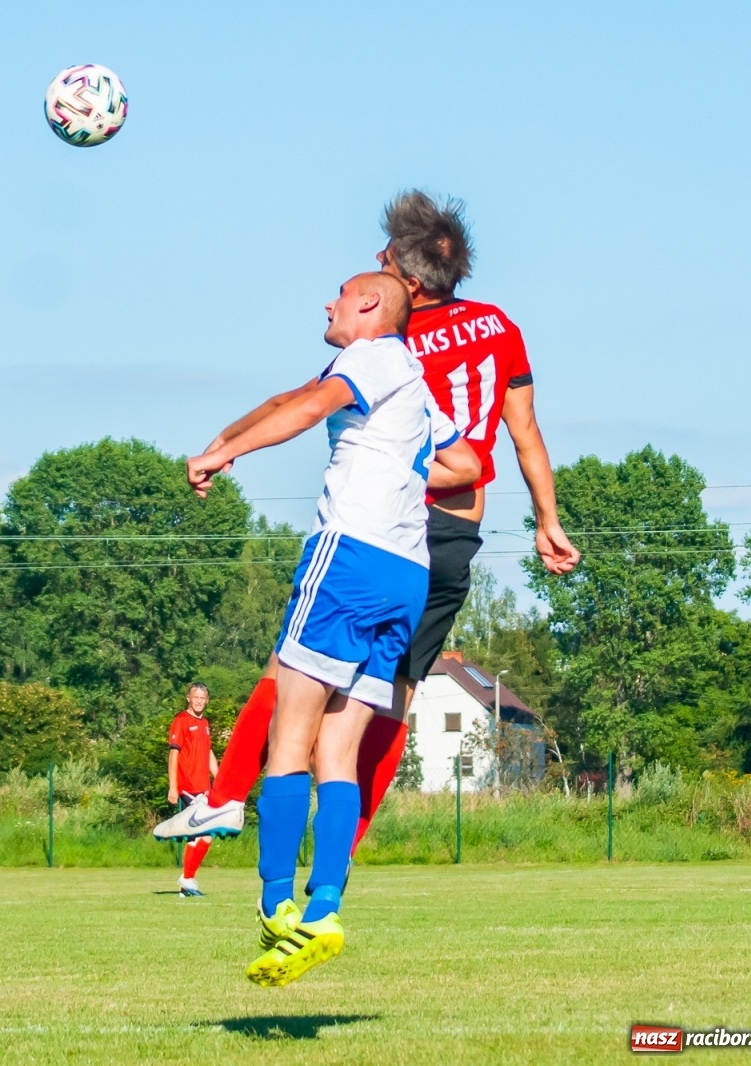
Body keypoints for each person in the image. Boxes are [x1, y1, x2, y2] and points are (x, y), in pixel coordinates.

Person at [156, 191, 578, 850]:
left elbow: (299, 400)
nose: (370, 264)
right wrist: (547, 520)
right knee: (390, 701)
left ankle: (226, 797)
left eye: (382, 256)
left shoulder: (391, 342)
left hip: (382, 530)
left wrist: (225, 443)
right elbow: (524, 433)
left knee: (288, 673)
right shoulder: (500, 325)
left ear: (405, 281)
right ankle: (339, 858)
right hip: (452, 542)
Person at [183, 272, 480, 986]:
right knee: (338, 753)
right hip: (407, 573)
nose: (328, 303)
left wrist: (225, 453)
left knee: (290, 738)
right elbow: (466, 462)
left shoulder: (373, 354)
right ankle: (326, 907)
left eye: (340, 294)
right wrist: (403, 467)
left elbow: (312, 405)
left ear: (371, 306)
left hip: (348, 553)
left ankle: (276, 903)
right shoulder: (412, 377)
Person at [166, 684, 219, 897]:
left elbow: (208, 752)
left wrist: (220, 778)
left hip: (203, 788)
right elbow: (173, 755)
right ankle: (187, 878)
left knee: (199, 834)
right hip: (188, 787)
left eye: (202, 697)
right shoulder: (181, 721)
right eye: (195, 696)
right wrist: (173, 786)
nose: (198, 700)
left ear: (207, 700)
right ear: (188, 698)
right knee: (206, 830)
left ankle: (186, 884)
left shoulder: (205, 723)